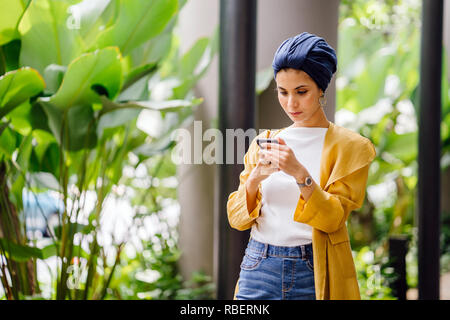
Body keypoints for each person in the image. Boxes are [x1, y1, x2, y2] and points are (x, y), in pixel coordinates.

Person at [227, 32, 377, 300]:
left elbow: (333, 219)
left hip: (313, 267)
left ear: (321, 88)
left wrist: (300, 174)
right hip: (258, 264)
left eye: (301, 92)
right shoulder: (265, 141)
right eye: (282, 92)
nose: (290, 103)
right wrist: (253, 181)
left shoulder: (351, 147)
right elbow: (237, 219)